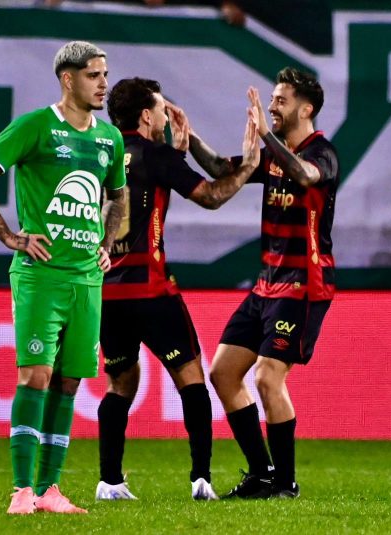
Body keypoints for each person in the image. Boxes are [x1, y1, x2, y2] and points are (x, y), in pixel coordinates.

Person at [0, 41, 127, 515]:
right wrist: (11, 237)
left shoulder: (108, 139)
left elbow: (117, 194)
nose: (103, 83)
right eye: (94, 75)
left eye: (105, 74)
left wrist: (105, 239)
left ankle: (50, 489)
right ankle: (20, 490)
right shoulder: (36, 125)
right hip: (40, 275)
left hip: (86, 280)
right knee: (35, 374)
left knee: (70, 382)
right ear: (68, 78)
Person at [94, 77, 260, 501]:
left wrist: (176, 154)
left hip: (106, 294)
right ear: (147, 116)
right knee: (191, 380)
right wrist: (247, 167)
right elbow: (210, 196)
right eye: (163, 110)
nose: (168, 116)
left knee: (119, 385)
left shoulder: (99, 153)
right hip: (151, 291)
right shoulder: (157, 155)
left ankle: (109, 482)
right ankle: (201, 479)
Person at [189, 67, 339, 499]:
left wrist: (264, 137)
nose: (272, 106)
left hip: (303, 285)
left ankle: (285, 484)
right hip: (265, 285)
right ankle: (261, 472)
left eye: (281, 100)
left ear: (305, 109)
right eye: (270, 100)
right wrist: (189, 136)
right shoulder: (271, 154)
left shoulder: (323, 153)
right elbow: (221, 168)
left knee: (269, 377)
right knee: (222, 374)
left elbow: (306, 175)